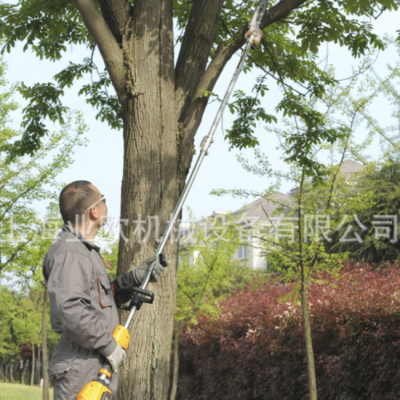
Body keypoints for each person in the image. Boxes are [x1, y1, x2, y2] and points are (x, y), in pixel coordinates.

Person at [43, 181, 167, 400]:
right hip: (80, 370)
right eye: (104, 200)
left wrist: (136, 277)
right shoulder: (70, 253)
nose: (106, 207)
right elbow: (70, 309)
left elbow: (99, 298)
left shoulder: (83, 251)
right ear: (93, 211)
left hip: (91, 365)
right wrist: (108, 345)